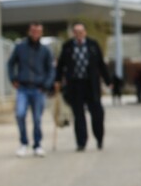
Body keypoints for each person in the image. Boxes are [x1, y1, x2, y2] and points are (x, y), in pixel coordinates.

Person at [54, 22, 111, 151]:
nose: (78, 35)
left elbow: (101, 64)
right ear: (73, 34)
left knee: (97, 114)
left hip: (91, 85)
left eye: (81, 32)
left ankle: (99, 138)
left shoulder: (93, 45)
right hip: (75, 85)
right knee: (78, 115)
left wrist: (108, 81)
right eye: (76, 32)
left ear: (84, 32)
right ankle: (81, 142)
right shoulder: (67, 46)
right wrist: (57, 80)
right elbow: (61, 66)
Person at [7, 22, 55, 157]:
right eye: (33, 31)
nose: (35, 34)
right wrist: (13, 78)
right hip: (22, 88)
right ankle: (23, 143)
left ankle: (37, 144)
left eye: (38, 31)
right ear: (29, 31)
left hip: (39, 89)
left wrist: (47, 84)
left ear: (41, 33)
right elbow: (11, 64)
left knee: (37, 118)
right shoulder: (20, 47)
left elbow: (51, 70)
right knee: (20, 114)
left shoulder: (45, 50)